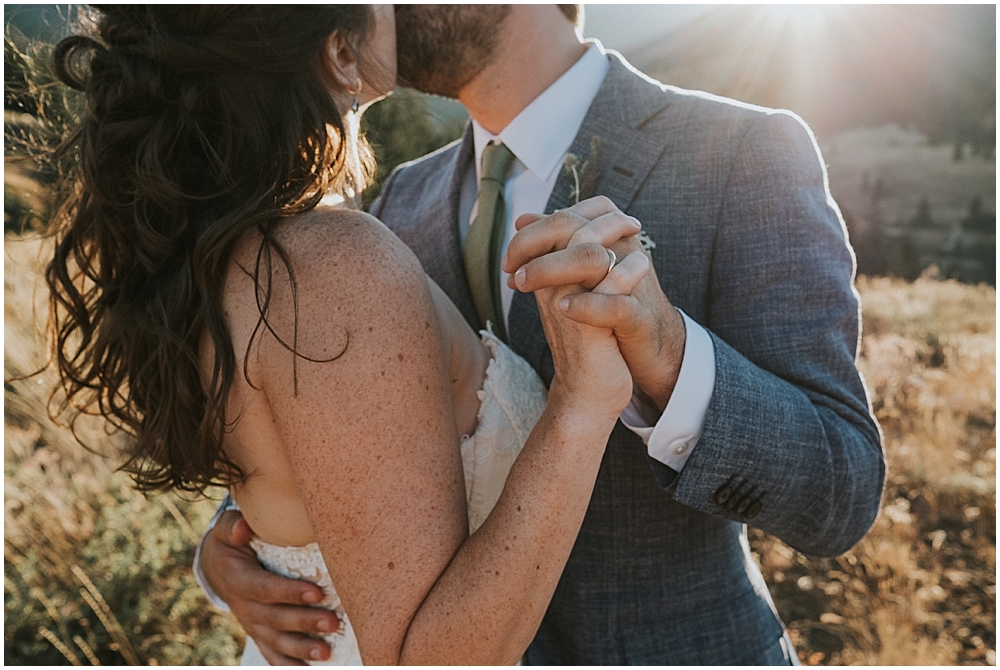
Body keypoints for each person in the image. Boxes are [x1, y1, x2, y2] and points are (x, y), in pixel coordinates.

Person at [198, 4, 887, 665]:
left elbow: (843, 490)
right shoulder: (400, 199)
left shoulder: (744, 151)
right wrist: (232, 544)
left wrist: (669, 355)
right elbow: (353, 421)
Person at [45, 6, 659, 666]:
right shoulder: (333, 264)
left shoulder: (223, 251)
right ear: (340, 51)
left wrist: (232, 543)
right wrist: (581, 406)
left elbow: (322, 468)